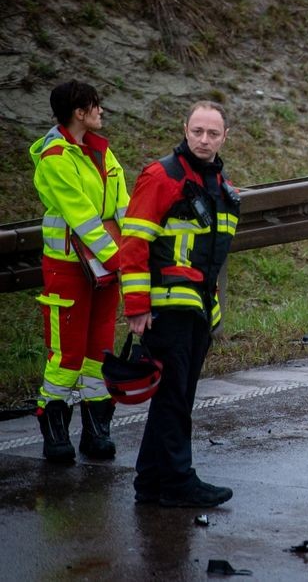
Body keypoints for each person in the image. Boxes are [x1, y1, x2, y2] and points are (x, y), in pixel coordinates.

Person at [121, 101, 239, 507]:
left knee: (176, 397)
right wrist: (136, 306)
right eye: (197, 131)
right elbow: (133, 244)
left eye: (212, 133)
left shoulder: (217, 182)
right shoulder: (163, 175)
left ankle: (151, 481)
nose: (203, 140)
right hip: (166, 308)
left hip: (197, 309)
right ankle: (178, 482)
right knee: (173, 399)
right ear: (184, 129)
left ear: (225, 137)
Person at [29, 81, 128, 463]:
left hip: (105, 266)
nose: (101, 112)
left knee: (98, 351)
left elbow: (122, 206)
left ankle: (95, 430)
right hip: (69, 269)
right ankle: (55, 430)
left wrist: (132, 252)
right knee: (66, 355)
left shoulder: (101, 150)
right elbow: (83, 218)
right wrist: (120, 260)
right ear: (79, 113)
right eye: (95, 106)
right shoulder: (56, 157)